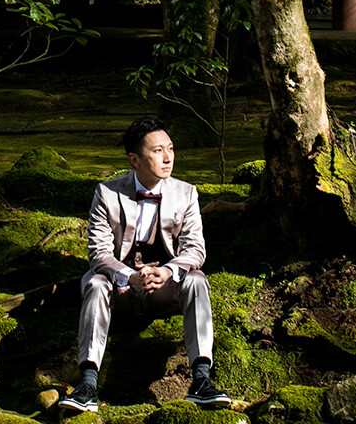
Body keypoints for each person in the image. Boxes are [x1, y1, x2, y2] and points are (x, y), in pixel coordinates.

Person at [60, 117, 232, 412]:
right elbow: (98, 253)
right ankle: (88, 383)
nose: (168, 158)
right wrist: (128, 276)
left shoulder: (186, 193)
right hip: (121, 288)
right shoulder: (106, 193)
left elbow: (195, 250)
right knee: (95, 280)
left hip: (166, 287)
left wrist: (167, 271)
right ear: (134, 159)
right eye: (157, 151)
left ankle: (202, 379)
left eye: (171, 149)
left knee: (197, 280)